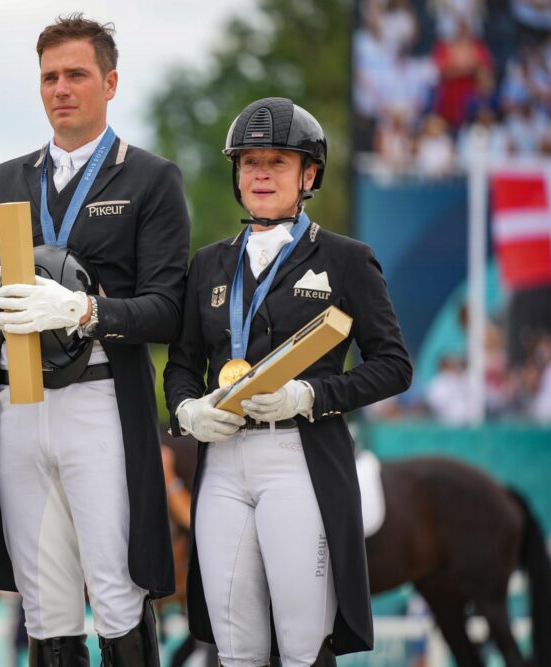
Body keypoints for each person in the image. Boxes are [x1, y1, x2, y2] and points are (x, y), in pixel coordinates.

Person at [0, 14, 190, 666]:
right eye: (50, 76)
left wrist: (88, 309)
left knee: (116, 591)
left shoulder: (150, 178)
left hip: (99, 399)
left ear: (110, 82)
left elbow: (170, 310)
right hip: (16, 402)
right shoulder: (7, 178)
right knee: (45, 603)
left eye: (76, 74)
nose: (61, 88)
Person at [164, 97, 413, 667]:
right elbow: (181, 365)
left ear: (309, 175)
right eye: (249, 162)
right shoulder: (208, 265)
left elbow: (394, 364)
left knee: (302, 647)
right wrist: (186, 410)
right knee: (235, 648)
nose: (260, 173)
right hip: (223, 459)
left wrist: (311, 395)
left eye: (277, 161)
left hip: (298, 456)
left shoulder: (348, 259)